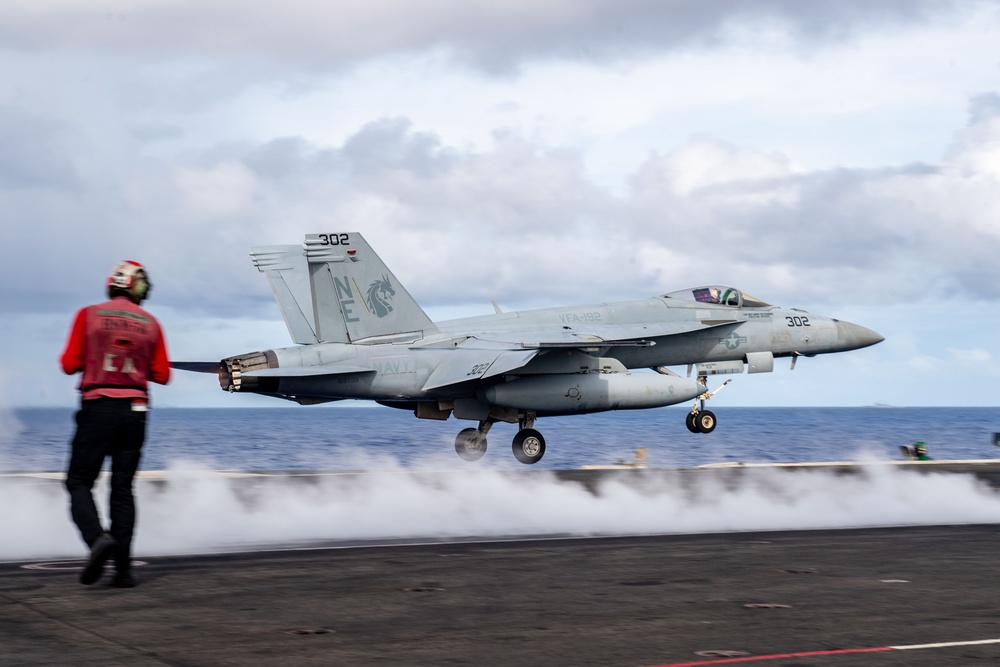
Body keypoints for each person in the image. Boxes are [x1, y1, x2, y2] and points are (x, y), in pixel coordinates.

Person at [60, 260, 170, 587]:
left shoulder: (88, 315)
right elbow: (162, 374)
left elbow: (69, 364)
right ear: (137, 288)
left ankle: (97, 539)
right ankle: (123, 570)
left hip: (98, 408)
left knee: (79, 481)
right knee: (122, 489)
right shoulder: (151, 323)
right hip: (135, 411)